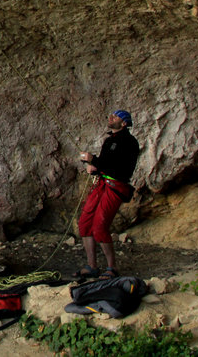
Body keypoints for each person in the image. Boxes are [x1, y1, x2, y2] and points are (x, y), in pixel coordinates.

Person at [74, 110, 141, 279]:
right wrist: (93, 167)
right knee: (85, 223)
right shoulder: (109, 140)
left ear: (124, 123)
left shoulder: (130, 143)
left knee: (100, 226)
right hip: (103, 184)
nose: (110, 118)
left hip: (115, 187)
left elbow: (120, 168)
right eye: (110, 115)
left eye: (115, 117)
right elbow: (104, 164)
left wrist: (94, 160)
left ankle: (112, 268)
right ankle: (92, 266)